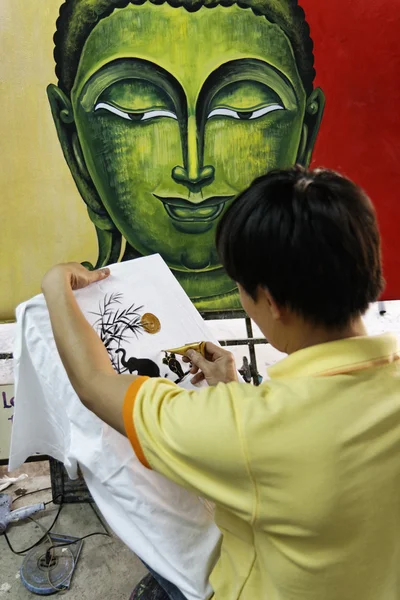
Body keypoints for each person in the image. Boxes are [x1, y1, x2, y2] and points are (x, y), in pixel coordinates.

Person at [41, 166, 400, 600]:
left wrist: (56, 288)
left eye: (241, 290)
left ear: (270, 301)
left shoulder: (250, 429)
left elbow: (95, 384)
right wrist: (232, 389)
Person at [48, 0, 325, 310]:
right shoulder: (71, 321)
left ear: (305, 132)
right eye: (136, 112)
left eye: (244, 111)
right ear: (71, 137)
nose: (193, 169)